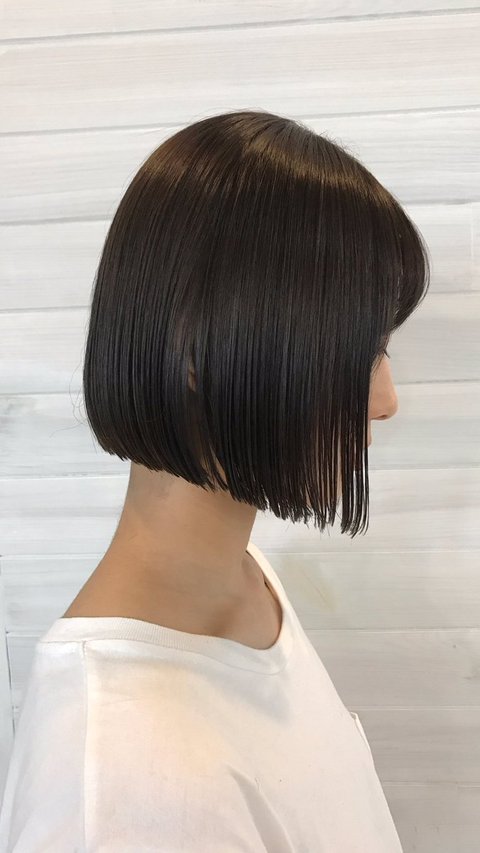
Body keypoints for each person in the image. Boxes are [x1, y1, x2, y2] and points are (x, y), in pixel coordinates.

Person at [0, 109, 430, 851]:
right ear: (197, 347)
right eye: (359, 351)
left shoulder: (246, 579)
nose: (386, 400)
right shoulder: (120, 787)